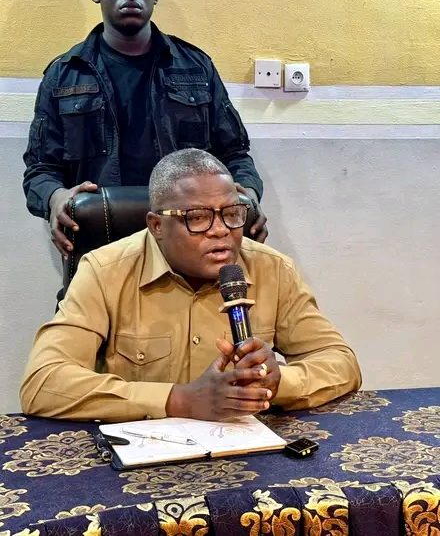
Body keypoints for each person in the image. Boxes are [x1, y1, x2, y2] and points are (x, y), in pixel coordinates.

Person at [20, 148, 362, 422]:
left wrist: (278, 382)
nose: (221, 230)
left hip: (245, 450)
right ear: (156, 225)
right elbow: (43, 382)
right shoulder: (105, 271)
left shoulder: (272, 269)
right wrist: (180, 400)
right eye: (197, 218)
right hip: (143, 458)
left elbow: (341, 362)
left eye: (232, 213)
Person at [23, 0, 267, 261]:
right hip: (101, 245)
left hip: (191, 239)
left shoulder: (196, 68)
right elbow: (41, 170)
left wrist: (248, 197)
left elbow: (234, 155)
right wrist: (55, 197)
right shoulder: (64, 75)